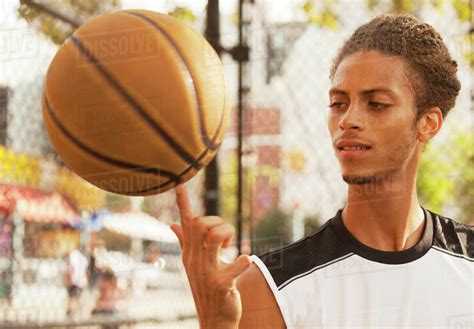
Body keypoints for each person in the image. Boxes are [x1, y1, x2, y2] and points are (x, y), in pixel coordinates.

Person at [169, 13, 474, 329]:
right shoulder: (270, 287)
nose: (348, 120)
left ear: (428, 123)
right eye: (339, 103)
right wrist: (217, 324)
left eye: (377, 103)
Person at [65, 248, 88, 318]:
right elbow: (85, 271)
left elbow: (70, 270)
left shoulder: (72, 256)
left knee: (72, 299)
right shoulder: (83, 258)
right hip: (80, 282)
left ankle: (72, 314)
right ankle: (73, 313)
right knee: (76, 299)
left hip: (74, 282)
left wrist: (68, 280)